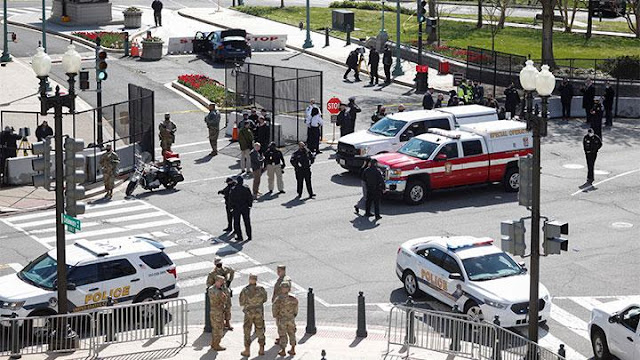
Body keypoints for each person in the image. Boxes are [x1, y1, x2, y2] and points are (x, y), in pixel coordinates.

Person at [239, 274, 268, 357]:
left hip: (249, 313)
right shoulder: (261, 289)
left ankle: (247, 350)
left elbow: (241, 302)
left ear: (249, 279)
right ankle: (261, 349)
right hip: (259, 312)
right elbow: (265, 299)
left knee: (247, 331)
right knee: (260, 330)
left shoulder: (245, 290)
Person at [207, 257, 236, 330]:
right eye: (218, 264)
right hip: (219, 292)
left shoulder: (225, 268)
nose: (219, 265)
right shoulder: (212, 273)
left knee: (228, 306)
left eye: (220, 264)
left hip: (226, 290)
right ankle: (222, 323)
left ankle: (228, 322)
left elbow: (232, 271)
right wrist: (216, 287)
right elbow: (209, 284)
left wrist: (229, 280)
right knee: (220, 307)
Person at [272, 282, 298, 356]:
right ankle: (293, 349)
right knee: (292, 333)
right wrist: (293, 316)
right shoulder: (293, 299)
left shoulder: (278, 299)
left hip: (282, 320)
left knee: (282, 335)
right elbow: (296, 310)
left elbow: (274, 309)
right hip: (291, 319)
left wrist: (276, 316)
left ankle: (283, 350)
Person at [208, 275, 229, 351]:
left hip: (213, 311)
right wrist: (224, 295)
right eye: (221, 282)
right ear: (217, 281)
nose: (222, 283)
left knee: (214, 328)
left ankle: (213, 343)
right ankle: (216, 345)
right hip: (218, 312)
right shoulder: (219, 292)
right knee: (219, 329)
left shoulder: (210, 289)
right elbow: (225, 300)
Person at [229, 176, 253, 241]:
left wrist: (231, 207)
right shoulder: (246, 188)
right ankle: (249, 236)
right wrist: (249, 205)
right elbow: (250, 197)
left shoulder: (233, 189)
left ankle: (240, 236)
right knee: (247, 222)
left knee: (237, 223)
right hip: (245, 207)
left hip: (236, 208)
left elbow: (231, 199)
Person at [272, 264, 291, 345]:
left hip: (281, 305)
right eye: (277, 270)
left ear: (283, 271)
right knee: (279, 323)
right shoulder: (281, 279)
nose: (277, 272)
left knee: (281, 323)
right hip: (278, 303)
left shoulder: (285, 280)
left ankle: (283, 339)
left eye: (279, 271)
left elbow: (285, 290)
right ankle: (281, 337)